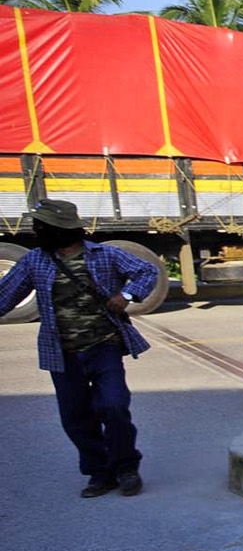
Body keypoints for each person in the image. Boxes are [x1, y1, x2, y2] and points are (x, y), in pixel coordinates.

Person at [0, 197, 158, 497]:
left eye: (41, 226)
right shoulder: (34, 261)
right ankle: (100, 473)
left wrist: (126, 295)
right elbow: (5, 296)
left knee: (113, 406)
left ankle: (126, 468)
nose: (36, 231)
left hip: (104, 346)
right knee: (76, 417)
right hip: (61, 352)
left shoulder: (103, 254)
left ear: (61, 229)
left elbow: (147, 272)